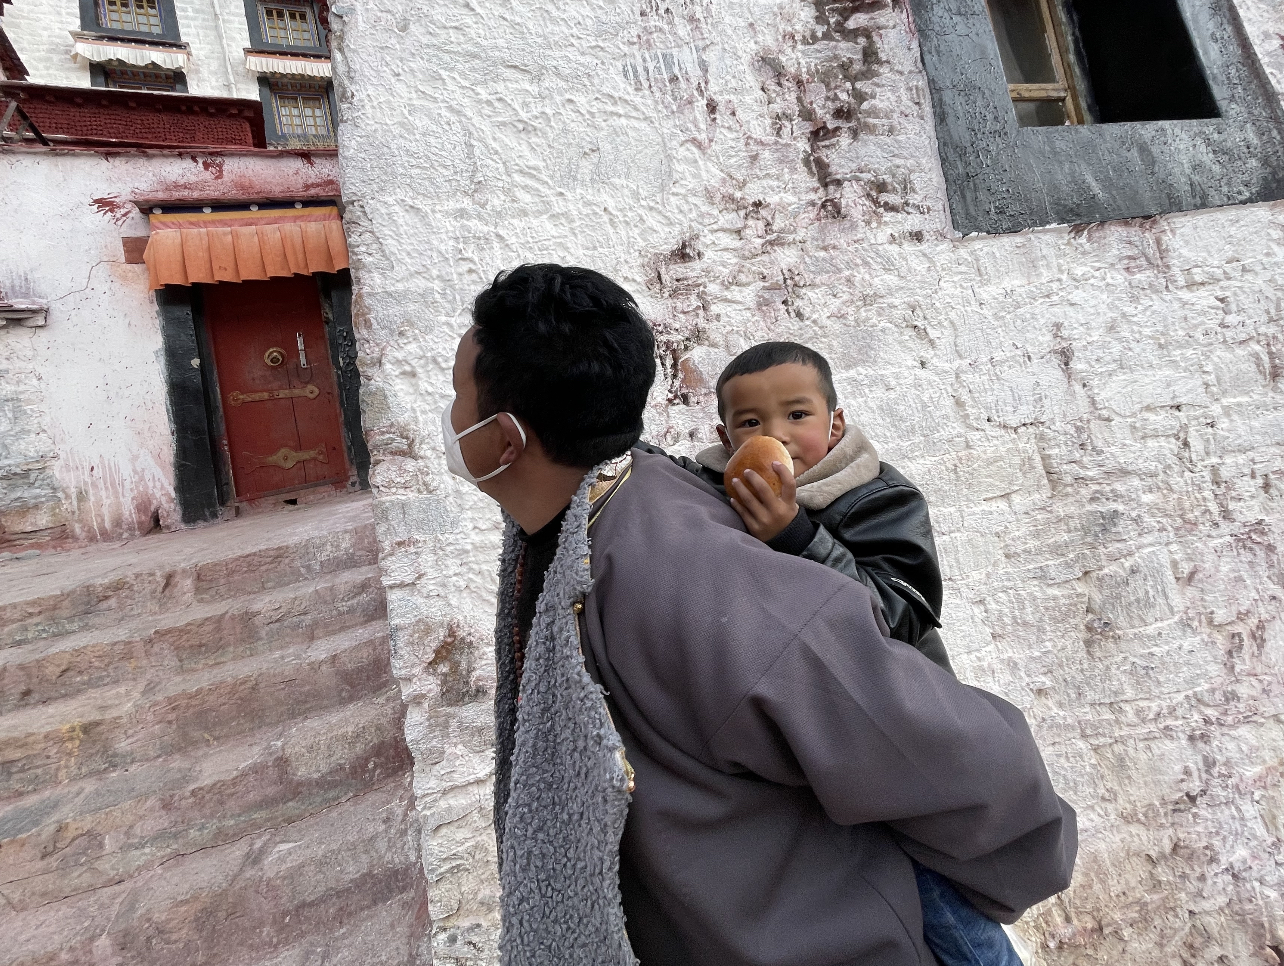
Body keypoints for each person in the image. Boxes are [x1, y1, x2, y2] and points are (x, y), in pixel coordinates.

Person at [442, 263, 1078, 966]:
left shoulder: (690, 579)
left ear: (505, 438)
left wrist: (1016, 867)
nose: (447, 419)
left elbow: (952, 749)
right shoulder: (591, 529)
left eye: (455, 398)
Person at [646, 340, 1024, 966]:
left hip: (893, 726)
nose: (778, 436)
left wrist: (798, 537)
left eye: (797, 415)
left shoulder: (876, 497)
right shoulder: (714, 494)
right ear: (724, 433)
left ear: (835, 422)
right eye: (750, 422)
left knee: (937, 893)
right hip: (804, 736)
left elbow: (899, 614)